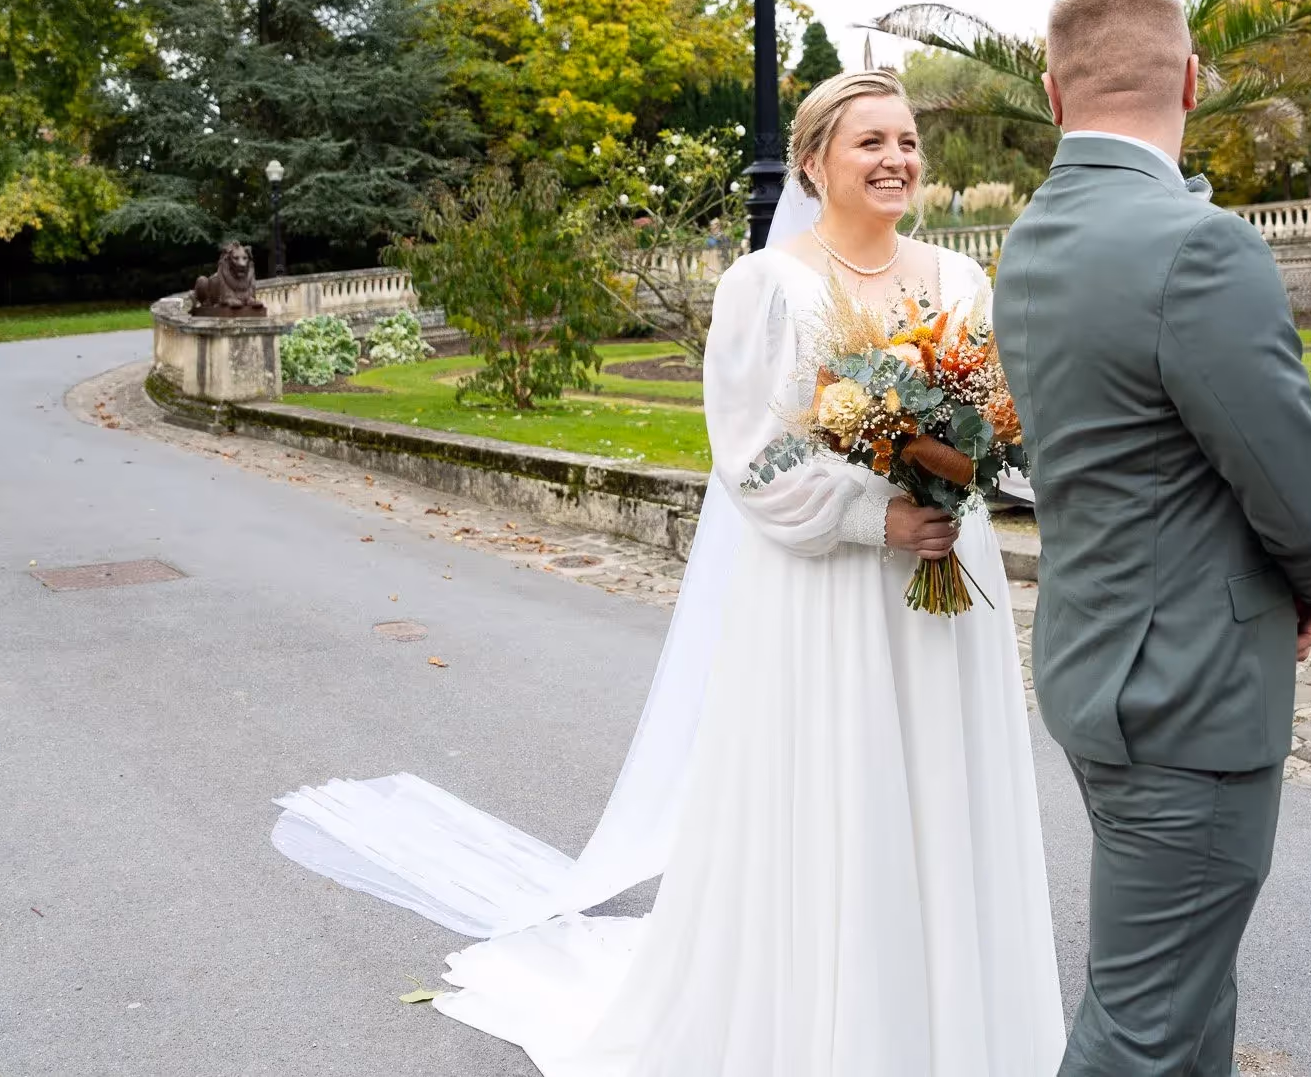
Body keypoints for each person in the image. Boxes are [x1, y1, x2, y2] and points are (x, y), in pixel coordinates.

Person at [273, 69, 1065, 1075]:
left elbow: (1001, 411)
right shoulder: (764, 287)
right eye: (870, 141)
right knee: (845, 796)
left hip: (945, 579)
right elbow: (753, 457)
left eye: (907, 140)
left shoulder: (958, 280)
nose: (896, 159)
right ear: (814, 160)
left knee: (946, 789)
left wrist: (966, 477)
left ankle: (956, 1019)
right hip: (829, 593)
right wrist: (878, 516)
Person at [994, 0, 1311, 1076]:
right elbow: (1301, 491)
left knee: (1188, 998)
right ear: (1192, 80)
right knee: (1144, 1029)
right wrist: (1310, 584)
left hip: (1094, 669)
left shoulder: (1032, 238)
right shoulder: (1197, 244)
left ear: (1052, 94)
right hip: (1189, 693)